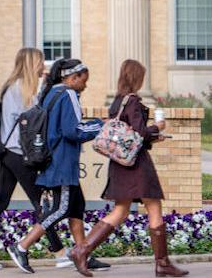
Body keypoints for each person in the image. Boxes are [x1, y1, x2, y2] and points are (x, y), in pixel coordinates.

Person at [69, 59, 188, 278]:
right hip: (137, 166)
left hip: (120, 164)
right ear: (136, 78)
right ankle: (162, 263)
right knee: (153, 207)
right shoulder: (132, 101)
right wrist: (157, 128)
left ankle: (82, 249)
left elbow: (130, 134)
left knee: (120, 210)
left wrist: (151, 136)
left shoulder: (118, 101)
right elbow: (140, 133)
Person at [0, 48, 69, 270]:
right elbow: (28, 125)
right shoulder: (22, 89)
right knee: (41, 204)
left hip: (6, 154)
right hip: (18, 155)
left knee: (0, 201)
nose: (44, 66)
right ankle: (61, 253)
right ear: (33, 63)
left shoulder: (11, 87)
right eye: (41, 62)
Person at [7, 58, 103, 275]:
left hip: (52, 159)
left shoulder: (51, 93)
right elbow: (73, 131)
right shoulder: (68, 94)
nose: (85, 85)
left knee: (77, 206)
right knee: (60, 209)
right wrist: (100, 126)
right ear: (72, 78)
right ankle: (21, 247)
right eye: (83, 80)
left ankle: (83, 253)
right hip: (63, 163)